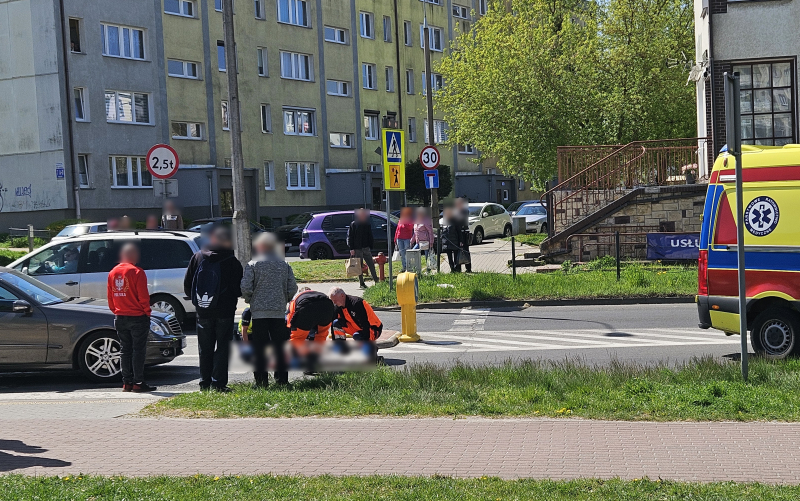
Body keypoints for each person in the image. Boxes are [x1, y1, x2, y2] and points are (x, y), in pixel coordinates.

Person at [184, 227, 243, 392]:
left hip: (203, 311)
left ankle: (205, 383)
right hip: (225, 311)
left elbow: (188, 285)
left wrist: (199, 303)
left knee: (205, 348)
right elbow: (238, 289)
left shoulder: (197, 257)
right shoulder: (231, 261)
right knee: (223, 348)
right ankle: (219, 384)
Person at [240, 232, 298, 387]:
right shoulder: (284, 265)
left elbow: (245, 286)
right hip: (278, 312)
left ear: (260, 246)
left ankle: (261, 382)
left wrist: (250, 299)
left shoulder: (253, 265)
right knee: (279, 348)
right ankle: (282, 381)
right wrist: (284, 299)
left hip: (259, 312)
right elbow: (293, 287)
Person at [107, 243, 156, 392]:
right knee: (138, 350)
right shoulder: (137, 272)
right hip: (137, 317)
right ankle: (138, 382)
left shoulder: (113, 273)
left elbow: (110, 297)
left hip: (120, 316)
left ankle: (126, 382)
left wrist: (115, 310)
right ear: (132, 255)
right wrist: (147, 312)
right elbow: (143, 296)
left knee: (125, 350)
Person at [286, 287, 336, 374]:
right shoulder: (320, 294)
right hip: (326, 308)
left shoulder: (296, 298)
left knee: (297, 338)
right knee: (321, 336)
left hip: (306, 310)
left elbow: (290, 315)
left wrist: (290, 328)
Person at [329, 287, 383, 363]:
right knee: (336, 323)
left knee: (358, 336)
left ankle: (372, 354)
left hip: (373, 329)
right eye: (332, 301)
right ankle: (341, 350)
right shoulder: (338, 306)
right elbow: (333, 326)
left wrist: (368, 344)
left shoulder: (356, 303)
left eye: (335, 300)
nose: (334, 303)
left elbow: (365, 324)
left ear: (342, 296)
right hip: (356, 327)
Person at [347, 208, 378, 288]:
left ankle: (376, 280)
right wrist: (351, 248)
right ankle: (362, 283)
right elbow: (350, 236)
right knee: (359, 266)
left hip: (366, 248)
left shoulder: (367, 224)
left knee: (371, 264)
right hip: (357, 248)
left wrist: (371, 245)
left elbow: (370, 236)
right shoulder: (354, 224)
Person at [454, 197, 473, 273]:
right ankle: (458, 268)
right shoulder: (455, 212)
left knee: (465, 250)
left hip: (464, 233)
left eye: (459, 203)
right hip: (457, 234)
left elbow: (461, 220)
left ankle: (468, 268)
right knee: (457, 251)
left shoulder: (465, 211)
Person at [394, 207, 414, 272]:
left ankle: (409, 266)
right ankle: (404, 267)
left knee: (407, 253)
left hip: (407, 239)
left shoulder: (410, 220)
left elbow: (410, 228)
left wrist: (405, 223)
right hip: (399, 238)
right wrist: (395, 239)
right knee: (402, 253)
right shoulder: (400, 220)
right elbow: (397, 229)